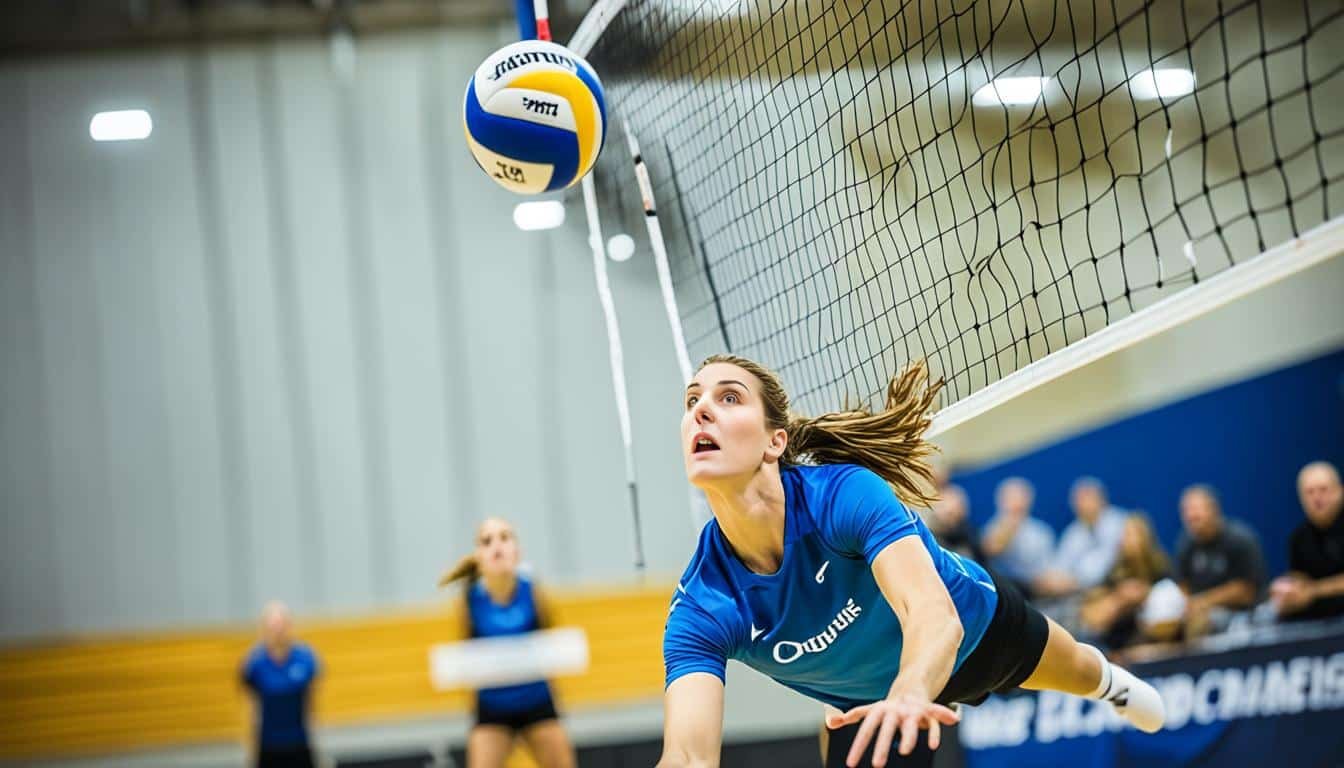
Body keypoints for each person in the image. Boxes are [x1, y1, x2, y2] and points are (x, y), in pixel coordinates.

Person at [658, 355, 1165, 768]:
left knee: (1078, 669)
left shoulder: (841, 496)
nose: (701, 409)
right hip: (873, 709)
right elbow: (686, 756)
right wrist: (896, 702)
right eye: (692, 401)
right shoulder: (702, 606)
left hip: (974, 631)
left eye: (728, 397)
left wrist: (911, 691)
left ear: (776, 441)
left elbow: (932, 614)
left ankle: (1113, 684)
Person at [438, 518, 577, 768]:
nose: (497, 546)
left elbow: (549, 643)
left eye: (504, 537)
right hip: (492, 708)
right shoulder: (469, 601)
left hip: (537, 702)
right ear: (479, 556)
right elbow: (467, 658)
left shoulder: (533, 591)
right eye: (487, 541)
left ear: (517, 551)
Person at [1170, 484, 1265, 639]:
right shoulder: (1185, 544)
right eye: (1186, 510)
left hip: (1242, 613)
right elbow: (1182, 586)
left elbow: (1247, 591)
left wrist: (1203, 602)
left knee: (1201, 624)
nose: (1191, 516)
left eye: (1196, 509)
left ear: (1214, 509)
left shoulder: (1240, 539)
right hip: (1199, 611)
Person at [240, 602, 320, 768]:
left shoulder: (305, 658)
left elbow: (312, 703)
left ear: (289, 626)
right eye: (273, 626)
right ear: (264, 629)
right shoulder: (255, 663)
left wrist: (316, 744)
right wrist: (250, 750)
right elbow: (250, 706)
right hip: (268, 745)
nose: (278, 631)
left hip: (299, 742)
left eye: (282, 625)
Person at [1078, 514, 1171, 649]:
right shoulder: (1116, 571)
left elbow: (1175, 603)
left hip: (1153, 640)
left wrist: (1146, 595)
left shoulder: (1161, 567)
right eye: (1127, 535)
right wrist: (1120, 599)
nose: (1130, 540)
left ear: (1147, 538)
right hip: (1116, 640)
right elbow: (1091, 615)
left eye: (1136, 535)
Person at [1272, 461, 1344, 621]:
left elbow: (1310, 590)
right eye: (1309, 492)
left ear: (1340, 491)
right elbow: (1300, 580)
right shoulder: (1298, 538)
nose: (1317, 498)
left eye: (1323, 490)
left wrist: (1314, 590)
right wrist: (1287, 591)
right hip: (1318, 622)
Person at [1033, 478, 1127, 598]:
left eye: (1087, 498)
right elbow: (1060, 563)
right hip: (1080, 593)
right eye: (1079, 500)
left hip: (1114, 584)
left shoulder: (1118, 521)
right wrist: (1050, 579)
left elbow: (1109, 560)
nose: (1082, 504)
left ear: (1102, 499)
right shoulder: (1073, 532)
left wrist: (1075, 581)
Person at [978, 477, 1054, 597]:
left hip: (1044, 586)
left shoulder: (1040, 530)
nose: (1017, 503)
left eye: (1021, 498)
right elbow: (991, 550)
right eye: (1011, 499)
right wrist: (1009, 526)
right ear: (1001, 502)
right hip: (1011, 591)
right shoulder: (993, 529)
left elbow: (1049, 565)